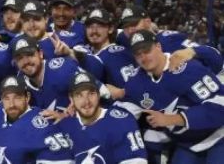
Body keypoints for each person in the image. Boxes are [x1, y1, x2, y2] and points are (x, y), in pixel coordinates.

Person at [116, 30, 224, 164]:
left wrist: (172, 119)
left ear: (158, 47)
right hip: (187, 144)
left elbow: (220, 107)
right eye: (138, 54)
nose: (143, 57)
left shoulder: (188, 68)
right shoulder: (135, 83)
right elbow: (121, 116)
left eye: (147, 50)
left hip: (219, 135)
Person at [12, 35, 114, 119]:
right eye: (20, 58)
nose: (26, 62)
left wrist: (73, 113)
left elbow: (105, 93)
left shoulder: (62, 69)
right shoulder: (19, 81)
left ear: (40, 54)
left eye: (30, 55)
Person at [58, 72, 148, 164]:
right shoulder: (64, 127)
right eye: (79, 95)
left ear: (98, 94)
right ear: (71, 99)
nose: (86, 101)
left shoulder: (122, 122)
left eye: (91, 93)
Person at [0, 75, 75, 164]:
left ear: (27, 97)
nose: (11, 104)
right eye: (6, 98)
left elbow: (63, 160)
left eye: (17, 97)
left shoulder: (42, 121)